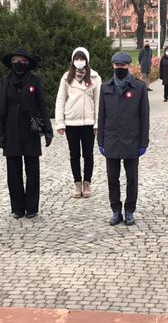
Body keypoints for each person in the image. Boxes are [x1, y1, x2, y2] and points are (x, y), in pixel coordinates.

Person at [0, 47, 53, 219]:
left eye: (22, 61)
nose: (19, 63)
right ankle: (17, 208)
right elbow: (1, 108)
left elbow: (42, 105)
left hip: (30, 128)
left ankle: (31, 207)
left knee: (32, 170)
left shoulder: (34, 80)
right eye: (15, 60)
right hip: (11, 129)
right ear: (11, 62)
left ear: (27, 63)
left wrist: (48, 129)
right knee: (13, 171)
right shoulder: (6, 81)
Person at [98, 52, 150, 226]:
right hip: (111, 139)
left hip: (131, 140)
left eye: (123, 65)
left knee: (131, 178)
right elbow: (101, 116)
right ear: (113, 66)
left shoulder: (139, 87)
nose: (120, 68)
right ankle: (115, 210)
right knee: (112, 178)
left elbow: (144, 117)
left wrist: (143, 142)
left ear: (128, 66)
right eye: (117, 65)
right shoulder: (105, 87)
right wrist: (100, 141)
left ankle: (129, 210)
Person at [55, 47, 102, 198]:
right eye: (77, 59)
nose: (79, 62)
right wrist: (60, 122)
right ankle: (77, 183)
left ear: (87, 61)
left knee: (88, 155)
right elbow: (61, 100)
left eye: (82, 59)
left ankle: (87, 183)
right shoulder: (66, 78)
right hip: (71, 122)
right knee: (74, 154)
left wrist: (98, 122)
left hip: (88, 122)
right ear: (73, 61)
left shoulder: (94, 77)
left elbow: (98, 101)